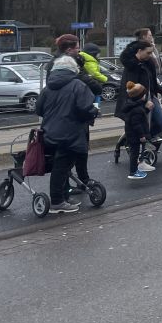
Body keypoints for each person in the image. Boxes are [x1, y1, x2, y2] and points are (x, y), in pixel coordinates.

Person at [36, 55, 98, 213]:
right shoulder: (78, 85)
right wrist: (94, 112)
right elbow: (85, 109)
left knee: (60, 166)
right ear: (74, 69)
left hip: (49, 132)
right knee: (62, 168)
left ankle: (64, 197)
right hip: (70, 134)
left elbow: (39, 109)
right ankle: (57, 202)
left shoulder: (48, 87)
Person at [114, 39, 156, 180]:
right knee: (137, 135)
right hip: (139, 104)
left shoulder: (144, 63)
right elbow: (132, 91)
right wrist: (144, 101)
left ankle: (141, 160)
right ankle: (137, 165)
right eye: (148, 53)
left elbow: (149, 83)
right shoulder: (133, 66)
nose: (150, 55)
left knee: (141, 131)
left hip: (142, 102)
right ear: (139, 51)